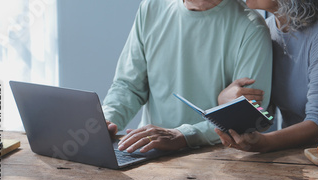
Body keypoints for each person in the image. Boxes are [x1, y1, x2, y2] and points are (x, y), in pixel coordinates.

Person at [104, 0, 273, 153]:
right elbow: (128, 86)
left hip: (218, 157)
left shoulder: (251, 28)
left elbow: (246, 117)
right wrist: (107, 120)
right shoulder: (150, 7)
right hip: (147, 149)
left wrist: (183, 135)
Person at [216, 0, 318, 152]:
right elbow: (264, 112)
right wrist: (226, 100)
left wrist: (263, 143)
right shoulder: (267, 30)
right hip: (301, 154)